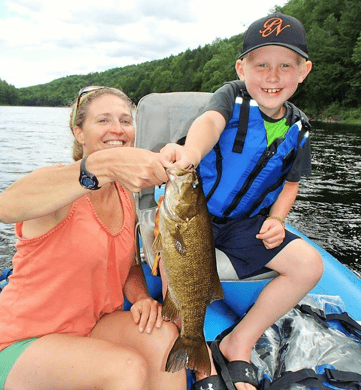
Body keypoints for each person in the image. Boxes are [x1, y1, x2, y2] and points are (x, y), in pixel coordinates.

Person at [0, 86, 186, 390]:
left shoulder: (125, 194)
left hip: (91, 326)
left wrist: (141, 298)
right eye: (103, 120)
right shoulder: (60, 187)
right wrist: (102, 166)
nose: (117, 129)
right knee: (126, 370)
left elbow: (128, 267)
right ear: (79, 132)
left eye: (126, 121)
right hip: (23, 341)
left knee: (164, 338)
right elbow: (4, 207)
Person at [160, 13, 324, 390]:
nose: (272, 75)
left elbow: (289, 185)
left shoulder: (299, 130)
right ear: (241, 67)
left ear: (304, 71)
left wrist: (279, 220)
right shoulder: (230, 96)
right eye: (261, 64)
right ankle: (199, 353)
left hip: (243, 223)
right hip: (193, 213)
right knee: (175, 274)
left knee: (308, 265)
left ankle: (240, 341)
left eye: (286, 65)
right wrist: (190, 155)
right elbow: (209, 124)